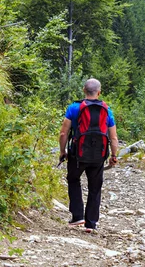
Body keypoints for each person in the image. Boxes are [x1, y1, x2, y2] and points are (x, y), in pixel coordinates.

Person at [59, 78, 118, 232]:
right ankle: (91, 224)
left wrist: (62, 151)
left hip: (77, 154)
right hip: (98, 155)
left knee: (73, 180)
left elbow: (64, 132)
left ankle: (77, 216)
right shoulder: (107, 110)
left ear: (84, 90)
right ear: (99, 92)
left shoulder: (74, 108)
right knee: (95, 187)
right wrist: (114, 155)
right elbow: (113, 137)